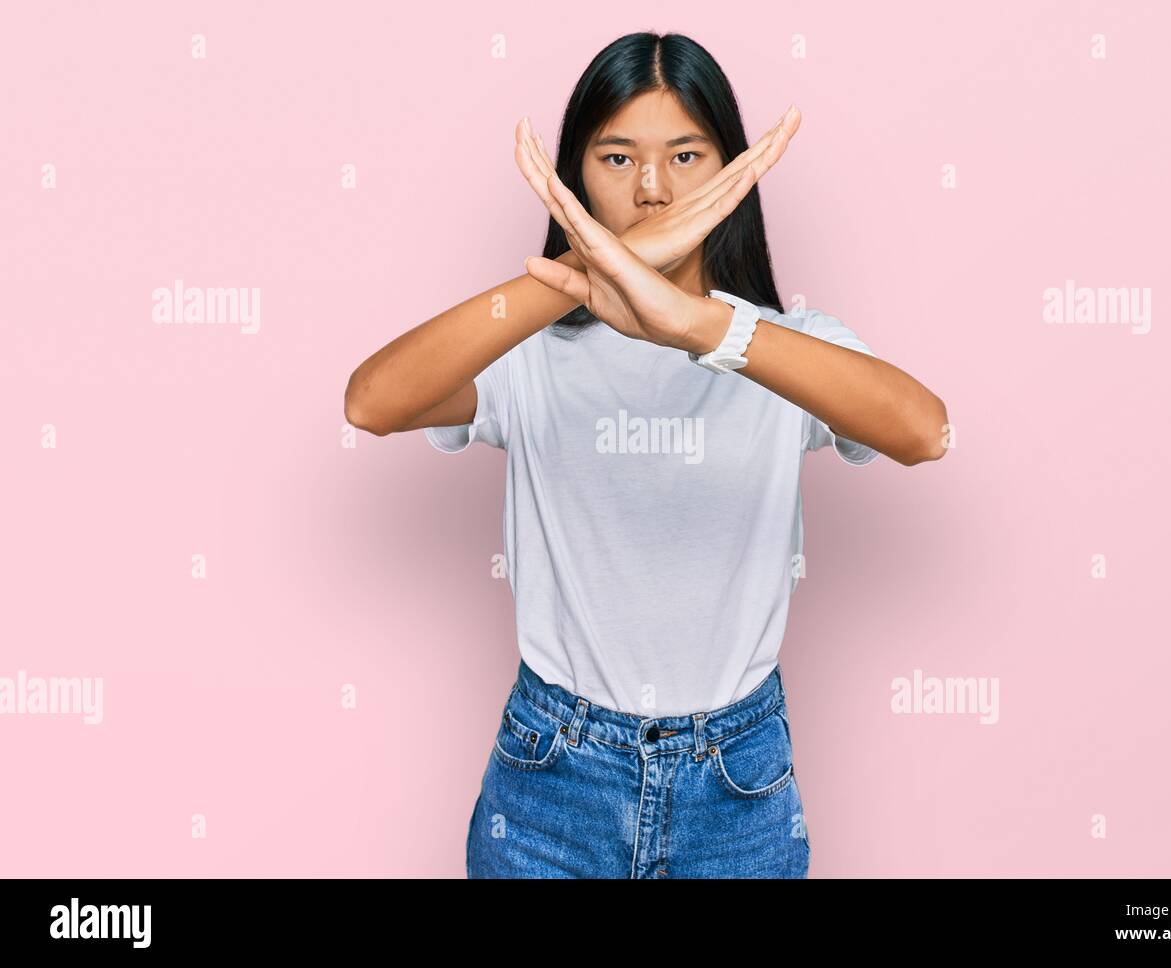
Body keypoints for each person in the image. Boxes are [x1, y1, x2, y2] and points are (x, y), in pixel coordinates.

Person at [344, 31, 948, 878]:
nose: (653, 188)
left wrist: (695, 323)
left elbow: (925, 431)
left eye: (687, 155)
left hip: (737, 784)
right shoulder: (533, 356)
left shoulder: (786, 348)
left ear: (733, 170)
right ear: (574, 173)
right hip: (553, 775)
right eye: (617, 157)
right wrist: (580, 276)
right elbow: (371, 402)